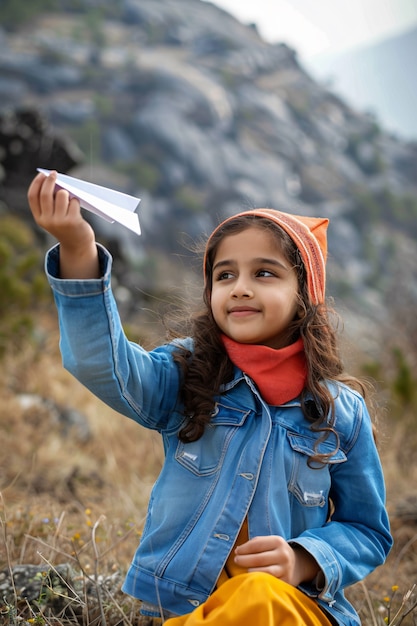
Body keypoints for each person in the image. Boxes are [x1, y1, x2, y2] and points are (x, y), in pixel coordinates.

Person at [28, 170, 392, 626]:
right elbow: (99, 363)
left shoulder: (341, 413)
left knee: (258, 595)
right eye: (225, 275)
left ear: (304, 296)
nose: (240, 286)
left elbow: (368, 531)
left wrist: (304, 559)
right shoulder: (189, 374)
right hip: (186, 610)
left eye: (264, 273)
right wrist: (79, 248)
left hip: (291, 609)